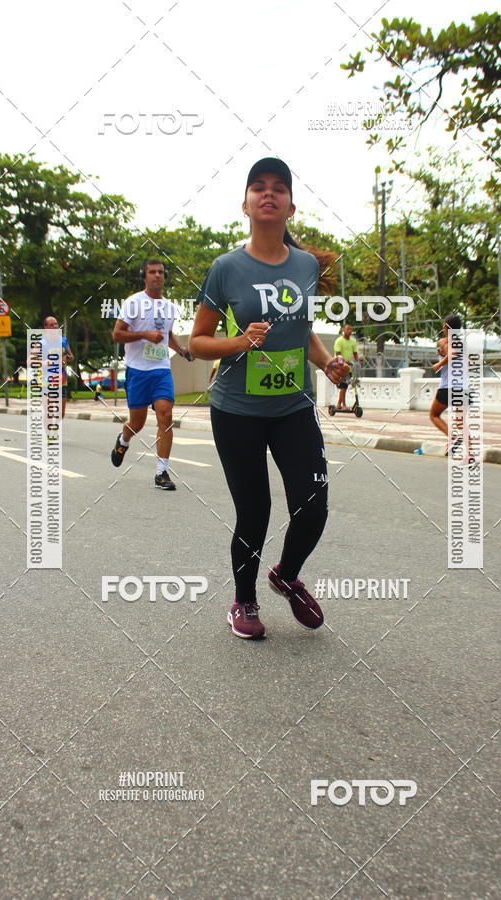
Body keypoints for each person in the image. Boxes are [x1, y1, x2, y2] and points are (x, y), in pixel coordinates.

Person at [189, 157, 349, 640]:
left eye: (278, 188)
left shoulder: (304, 265)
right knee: (254, 511)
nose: (268, 194)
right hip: (237, 411)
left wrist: (327, 364)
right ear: (245, 204)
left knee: (314, 503)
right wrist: (240, 343)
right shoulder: (226, 268)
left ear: (290, 207)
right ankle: (244, 601)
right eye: (258, 187)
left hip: (293, 407)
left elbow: (304, 333)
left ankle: (286, 574)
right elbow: (197, 342)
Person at [110, 259, 193, 490]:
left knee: (165, 416)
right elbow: (117, 334)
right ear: (144, 276)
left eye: (161, 272)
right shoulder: (133, 303)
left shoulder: (169, 307)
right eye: (152, 272)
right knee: (137, 423)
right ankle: (123, 440)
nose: (157, 275)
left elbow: (167, 335)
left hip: (161, 370)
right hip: (137, 370)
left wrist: (182, 351)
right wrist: (144, 334)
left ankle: (161, 473)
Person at [430, 313, 471, 460]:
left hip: (448, 387)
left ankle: (452, 437)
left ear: (447, 327)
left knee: (434, 415)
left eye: (443, 325)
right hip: (464, 387)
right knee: (462, 423)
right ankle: (470, 455)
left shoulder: (444, 341)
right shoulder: (464, 344)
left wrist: (438, 364)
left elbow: (452, 354)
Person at [43, 316, 74, 417]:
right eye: (51, 325)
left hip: (62, 380)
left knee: (61, 414)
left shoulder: (64, 340)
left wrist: (68, 357)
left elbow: (71, 356)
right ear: (46, 327)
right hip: (48, 380)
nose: (55, 326)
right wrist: (47, 362)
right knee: (50, 412)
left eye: (55, 324)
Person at [333, 323, 360, 410]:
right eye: (348, 329)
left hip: (349, 367)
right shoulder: (339, 341)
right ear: (343, 330)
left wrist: (357, 362)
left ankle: (338, 404)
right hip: (340, 366)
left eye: (351, 329)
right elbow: (338, 354)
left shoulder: (353, 341)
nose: (350, 331)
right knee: (343, 386)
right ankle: (343, 405)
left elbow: (355, 354)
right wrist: (343, 362)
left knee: (345, 386)